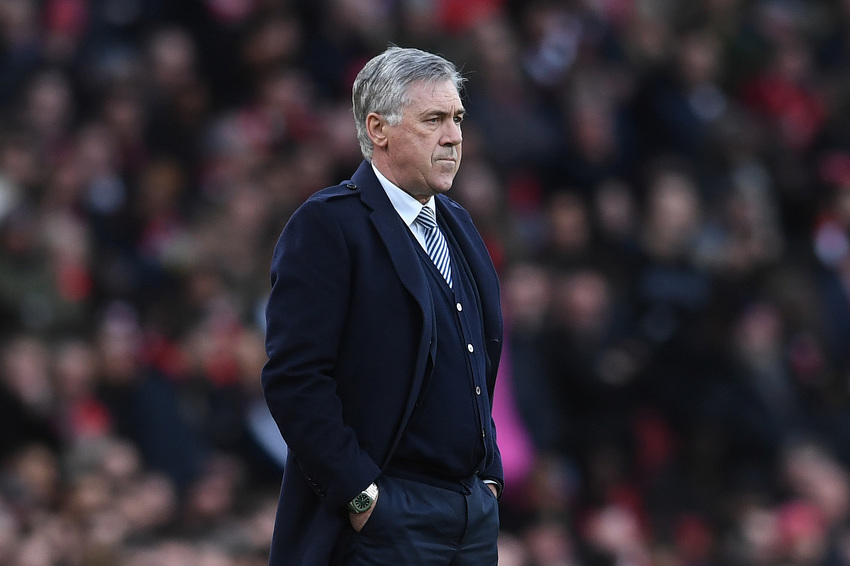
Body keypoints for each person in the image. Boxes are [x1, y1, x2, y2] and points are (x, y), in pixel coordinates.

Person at [261, 46, 504, 565]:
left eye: (458, 119)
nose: (454, 137)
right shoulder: (328, 225)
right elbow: (295, 378)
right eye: (433, 120)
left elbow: (477, 360)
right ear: (378, 129)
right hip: (386, 519)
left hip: (469, 517)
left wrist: (489, 478)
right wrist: (361, 494)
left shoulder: (458, 223)